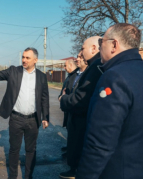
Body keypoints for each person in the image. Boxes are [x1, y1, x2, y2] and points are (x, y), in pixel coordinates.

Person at [76, 23, 143, 179]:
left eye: (102, 42)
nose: (100, 47)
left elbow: (100, 144)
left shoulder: (114, 77)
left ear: (114, 45)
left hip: (117, 171)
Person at [0, 47, 49, 179]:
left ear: (35, 60)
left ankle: (28, 176)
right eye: (23, 57)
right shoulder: (14, 71)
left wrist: (45, 117)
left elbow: (44, 98)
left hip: (33, 120)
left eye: (27, 58)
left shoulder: (41, 76)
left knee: (31, 150)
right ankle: (12, 176)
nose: (24, 60)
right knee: (14, 150)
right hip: (16, 118)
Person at [59, 36, 102, 179]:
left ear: (94, 48)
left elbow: (81, 99)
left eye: (83, 49)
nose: (81, 54)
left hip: (82, 120)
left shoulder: (95, 68)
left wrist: (64, 99)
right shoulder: (95, 66)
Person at [58, 59, 78, 153]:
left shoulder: (75, 76)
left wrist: (63, 97)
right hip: (67, 107)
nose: (64, 68)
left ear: (71, 65)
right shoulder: (70, 76)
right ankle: (69, 146)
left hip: (71, 107)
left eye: (65, 66)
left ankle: (71, 150)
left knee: (73, 131)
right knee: (68, 128)